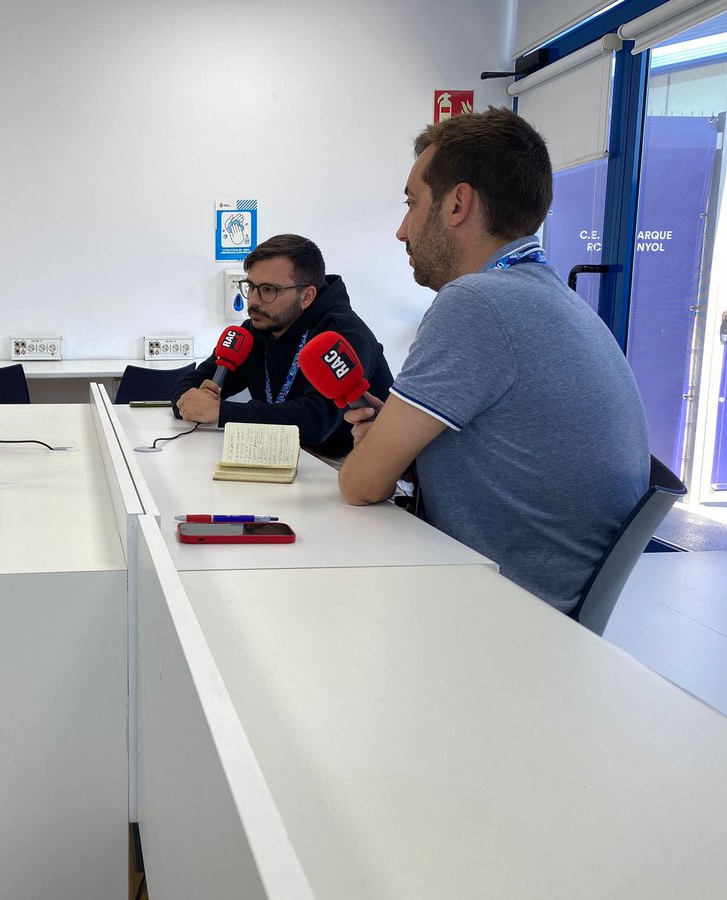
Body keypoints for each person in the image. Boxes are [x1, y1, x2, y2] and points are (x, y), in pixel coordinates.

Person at [338, 108, 650, 612]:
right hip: (546, 606)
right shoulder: (548, 296)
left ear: (458, 203)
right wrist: (403, 453)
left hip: (502, 613)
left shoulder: (477, 302)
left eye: (412, 203)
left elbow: (360, 484)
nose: (401, 230)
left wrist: (376, 456)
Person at [172, 234, 392, 457]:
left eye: (269, 290)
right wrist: (191, 402)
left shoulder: (344, 334)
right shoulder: (253, 331)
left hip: (343, 464)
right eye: (250, 287)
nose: (254, 301)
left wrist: (221, 411)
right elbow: (190, 386)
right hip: (281, 454)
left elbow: (317, 422)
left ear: (306, 296)